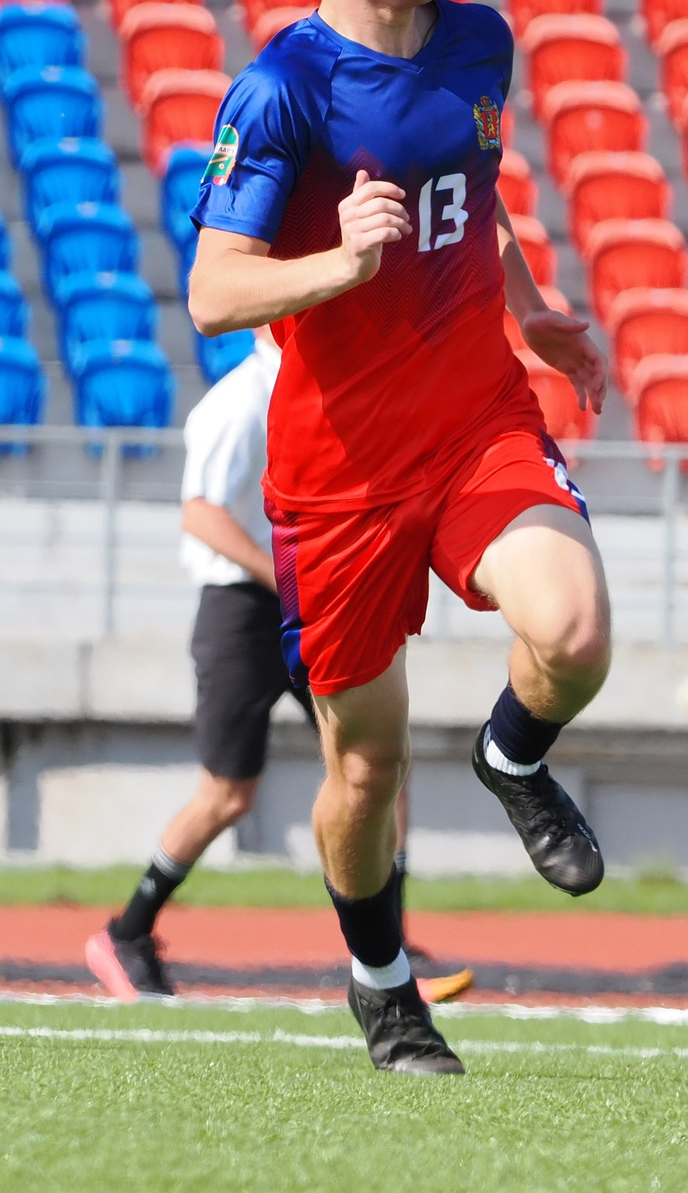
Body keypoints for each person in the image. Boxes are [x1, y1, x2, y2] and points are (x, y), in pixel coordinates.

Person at [186, 0, 614, 1075]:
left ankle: (510, 756)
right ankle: (382, 985)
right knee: (365, 771)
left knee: (573, 631)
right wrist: (339, 263)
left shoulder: (479, 43)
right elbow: (213, 292)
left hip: (476, 422)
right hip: (340, 477)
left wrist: (529, 310)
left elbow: (471, 195)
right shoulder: (282, 90)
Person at [84, 328, 472, 1006]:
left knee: (378, 763)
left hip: (301, 604)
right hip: (241, 612)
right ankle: (127, 932)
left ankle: (392, 947)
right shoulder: (242, 398)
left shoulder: (309, 389)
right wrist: (287, 577)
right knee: (226, 795)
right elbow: (201, 515)